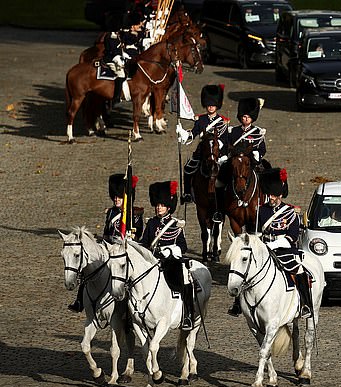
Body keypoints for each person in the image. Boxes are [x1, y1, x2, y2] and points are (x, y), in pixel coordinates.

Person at [227, 168, 314, 319]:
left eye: (274, 196)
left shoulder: (291, 213)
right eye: (269, 195)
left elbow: (292, 236)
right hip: (265, 248)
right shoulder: (261, 211)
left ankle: (306, 304)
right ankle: (237, 304)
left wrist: (275, 244)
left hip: (285, 250)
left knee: (299, 270)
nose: (271, 198)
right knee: (247, 269)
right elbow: (256, 231)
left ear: (280, 195)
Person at [67, 173, 144, 313]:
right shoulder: (111, 213)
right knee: (89, 265)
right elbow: (107, 232)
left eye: (119, 197)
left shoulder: (134, 215)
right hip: (109, 248)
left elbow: (138, 235)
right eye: (114, 196)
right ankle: (80, 300)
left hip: (123, 250)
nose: (116, 199)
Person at [139, 181, 194, 330]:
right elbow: (144, 243)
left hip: (171, 262)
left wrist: (170, 250)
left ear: (168, 207)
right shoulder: (151, 223)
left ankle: (188, 315)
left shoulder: (175, 224)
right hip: (154, 261)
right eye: (157, 205)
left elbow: (183, 246)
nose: (158, 208)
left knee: (185, 277)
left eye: (162, 205)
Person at [177, 84, 230, 223]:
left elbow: (225, 140)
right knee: (188, 168)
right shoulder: (201, 120)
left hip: (218, 152)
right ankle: (188, 193)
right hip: (202, 152)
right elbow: (193, 134)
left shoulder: (223, 122)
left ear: (217, 105)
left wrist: (218, 152)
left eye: (213, 105)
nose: (210, 107)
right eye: (208, 104)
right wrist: (183, 134)